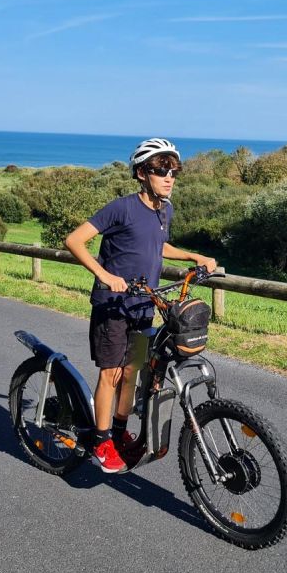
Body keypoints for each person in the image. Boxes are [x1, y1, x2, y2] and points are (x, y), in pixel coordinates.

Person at [65, 138, 217, 473]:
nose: (169, 176)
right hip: (114, 305)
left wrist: (194, 255)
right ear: (140, 173)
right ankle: (102, 441)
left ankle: (118, 431)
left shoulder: (165, 209)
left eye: (174, 170)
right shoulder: (121, 208)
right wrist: (105, 275)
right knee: (112, 373)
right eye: (161, 169)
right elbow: (74, 240)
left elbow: (158, 245)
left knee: (133, 372)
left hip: (143, 304)